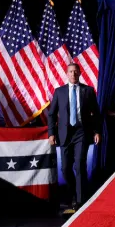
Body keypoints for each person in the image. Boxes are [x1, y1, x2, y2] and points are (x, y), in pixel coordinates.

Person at [47, 63, 100, 214]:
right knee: (65, 168)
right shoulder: (59, 92)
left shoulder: (88, 91)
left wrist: (96, 131)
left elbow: (96, 113)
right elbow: (51, 115)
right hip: (64, 134)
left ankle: (80, 200)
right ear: (66, 73)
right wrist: (51, 133)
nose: (73, 74)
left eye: (76, 72)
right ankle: (73, 195)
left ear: (80, 73)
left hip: (81, 132)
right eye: (71, 72)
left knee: (80, 165)